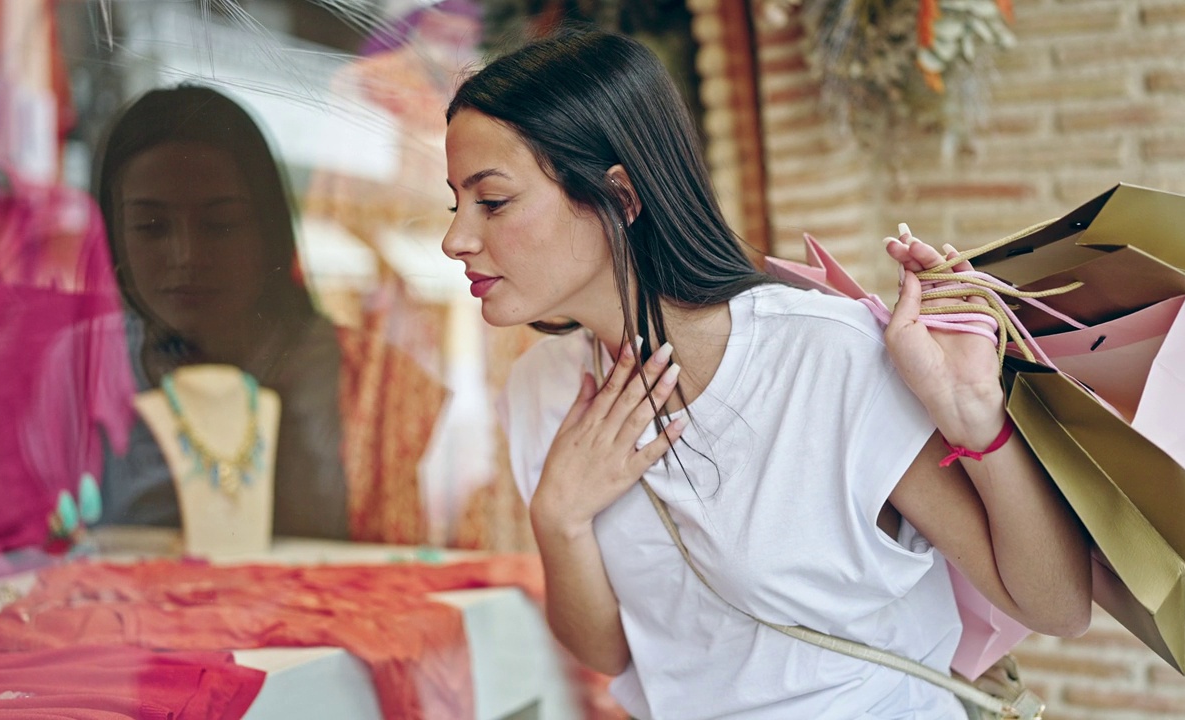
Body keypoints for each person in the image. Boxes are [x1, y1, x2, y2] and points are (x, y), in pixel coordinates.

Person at [440, 30, 1092, 718]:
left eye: (493, 201)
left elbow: (1056, 606)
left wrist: (974, 419)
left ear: (622, 198)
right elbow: (612, 654)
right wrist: (559, 517)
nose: (455, 238)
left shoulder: (827, 360)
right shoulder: (541, 392)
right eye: (455, 202)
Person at [95, 85, 446, 543]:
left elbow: (404, 564)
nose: (186, 255)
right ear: (115, 239)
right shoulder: (78, 374)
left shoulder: (369, 382)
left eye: (220, 225)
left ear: (269, 232)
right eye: (152, 227)